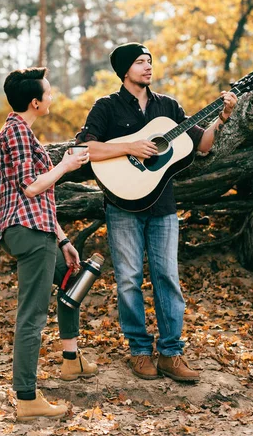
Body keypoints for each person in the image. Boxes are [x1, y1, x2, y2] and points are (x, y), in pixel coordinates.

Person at [76, 42, 237, 382]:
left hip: (163, 206)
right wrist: (130, 146)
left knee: (167, 278)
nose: (147, 67)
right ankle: (139, 351)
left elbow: (203, 144)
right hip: (122, 206)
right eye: (139, 62)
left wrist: (222, 117)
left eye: (150, 61)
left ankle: (170, 354)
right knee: (129, 280)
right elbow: (84, 148)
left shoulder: (168, 107)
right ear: (124, 70)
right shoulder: (106, 107)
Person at [0, 67, 98, 422]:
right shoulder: (18, 132)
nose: (53, 98)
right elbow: (31, 187)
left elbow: (40, 200)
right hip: (27, 232)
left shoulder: (23, 131)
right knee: (33, 316)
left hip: (39, 230)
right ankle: (26, 397)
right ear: (35, 102)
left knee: (74, 279)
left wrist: (64, 239)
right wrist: (66, 165)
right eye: (49, 93)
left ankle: (71, 361)